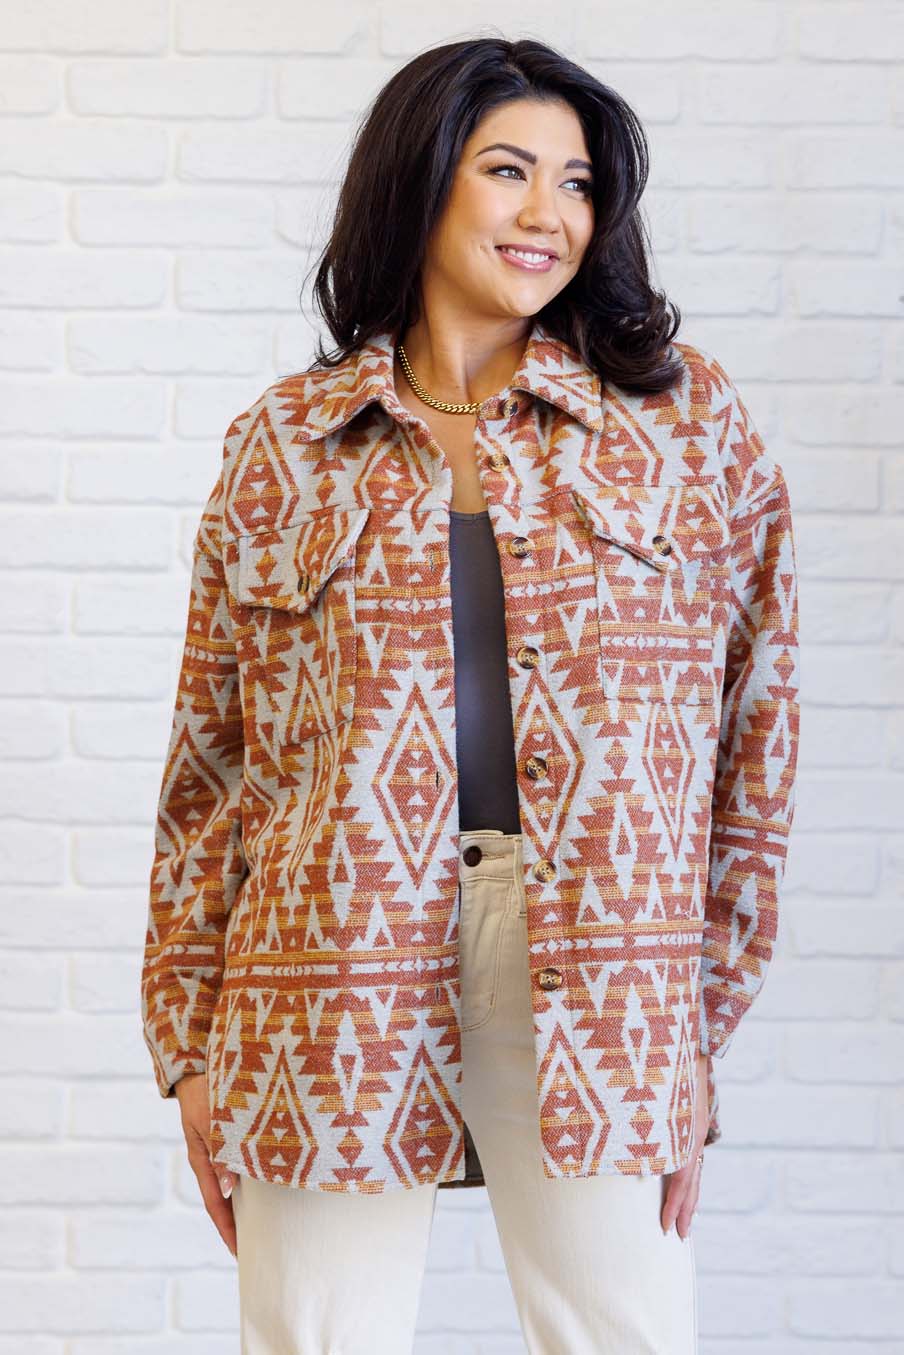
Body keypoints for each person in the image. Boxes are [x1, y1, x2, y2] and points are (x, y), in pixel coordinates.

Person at [140, 35, 800, 1355]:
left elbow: (757, 728)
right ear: (422, 178)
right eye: (509, 170)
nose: (550, 212)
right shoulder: (285, 444)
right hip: (321, 970)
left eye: (578, 182)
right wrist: (193, 1045)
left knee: (624, 1335)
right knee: (316, 1339)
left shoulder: (684, 427)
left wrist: (689, 1022)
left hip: (606, 972)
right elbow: (211, 769)